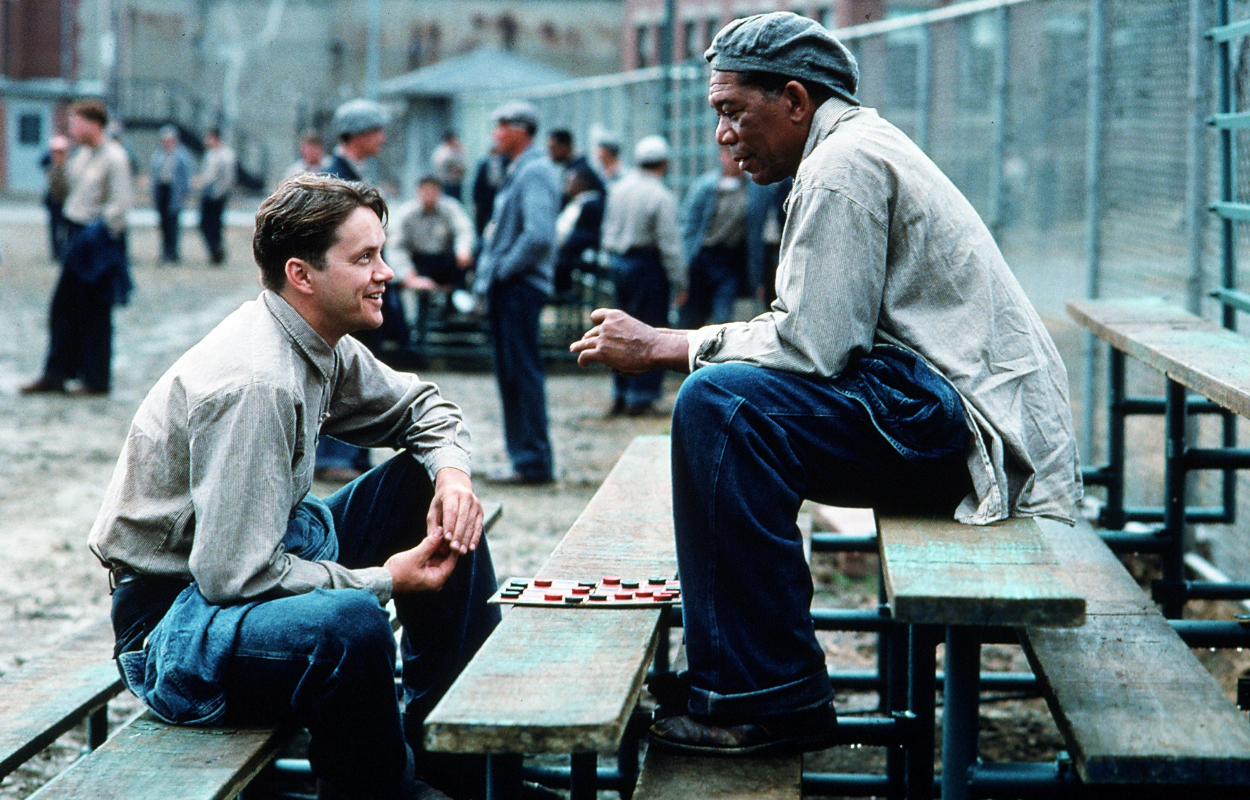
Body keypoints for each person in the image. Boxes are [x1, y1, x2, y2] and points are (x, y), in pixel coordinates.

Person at [571, 12, 1082, 757]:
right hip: (938, 407)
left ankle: (763, 697)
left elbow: (814, 346)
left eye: (733, 112)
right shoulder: (848, 147)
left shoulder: (841, 167)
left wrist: (666, 345)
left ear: (795, 100)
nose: (723, 136)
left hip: (969, 433)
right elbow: (820, 338)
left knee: (722, 408)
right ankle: (742, 675)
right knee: (731, 404)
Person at [88, 174, 500, 800]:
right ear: (302, 275)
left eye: (382, 252)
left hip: (248, 565)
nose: (386, 272)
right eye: (364, 258)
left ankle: (459, 761)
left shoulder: (314, 337)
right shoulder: (258, 384)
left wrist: (453, 475)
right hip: (175, 626)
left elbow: (420, 407)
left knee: (423, 489)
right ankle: (382, 790)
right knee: (353, 624)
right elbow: (237, 577)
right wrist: (388, 577)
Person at [472, 100, 560, 485]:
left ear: (521, 130)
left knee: (521, 373)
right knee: (511, 374)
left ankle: (532, 461)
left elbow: (538, 235)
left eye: (501, 126)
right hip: (510, 287)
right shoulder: (519, 170)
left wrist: (502, 272)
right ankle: (523, 457)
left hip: (519, 287)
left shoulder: (534, 171)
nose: (495, 134)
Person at [22, 99, 132, 397]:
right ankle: (56, 373)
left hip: (98, 242)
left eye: (76, 122)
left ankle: (96, 379)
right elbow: (62, 195)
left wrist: (98, 235)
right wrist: (57, 165)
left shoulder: (114, 157)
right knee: (64, 307)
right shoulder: (81, 156)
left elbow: (120, 207)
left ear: (92, 123)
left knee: (95, 312)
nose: (71, 128)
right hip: (77, 237)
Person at [316, 98, 400, 481]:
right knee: (344, 369)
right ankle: (336, 456)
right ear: (359, 134)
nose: (382, 138)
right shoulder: (335, 178)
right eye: (376, 131)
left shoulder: (351, 173)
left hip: (361, 287)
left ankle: (352, 456)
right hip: (347, 290)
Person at [598, 135, 685, 416]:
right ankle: (642, 395)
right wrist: (680, 281)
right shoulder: (661, 195)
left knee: (617, 329)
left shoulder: (618, 189)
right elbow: (669, 244)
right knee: (648, 330)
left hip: (618, 262)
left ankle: (619, 392)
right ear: (663, 163)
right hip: (647, 265)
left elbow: (607, 228)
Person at [390, 176, 475, 343]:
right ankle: (406, 335)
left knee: (470, 259)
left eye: (433, 191)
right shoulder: (407, 213)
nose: (429, 195)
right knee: (398, 286)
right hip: (420, 262)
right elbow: (396, 246)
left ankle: (460, 308)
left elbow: (464, 230)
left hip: (446, 261)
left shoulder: (451, 208)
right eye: (425, 191)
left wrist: (463, 249)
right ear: (418, 192)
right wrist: (407, 274)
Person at [553, 166, 604, 301]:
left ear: (583, 183)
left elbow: (586, 235)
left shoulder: (591, 204)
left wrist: (566, 245)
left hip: (575, 255)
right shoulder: (576, 201)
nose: (567, 185)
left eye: (571, 181)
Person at [150, 124, 192, 264]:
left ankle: (173, 252)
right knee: (163, 223)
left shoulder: (181, 156)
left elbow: (185, 178)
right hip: (162, 190)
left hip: (174, 192)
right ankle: (165, 251)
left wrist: (182, 194)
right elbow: (154, 175)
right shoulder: (158, 155)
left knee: (172, 223)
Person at [198, 128, 236, 266]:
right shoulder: (210, 154)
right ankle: (213, 250)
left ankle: (217, 251)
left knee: (215, 224)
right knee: (204, 223)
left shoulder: (226, 155)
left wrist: (218, 193)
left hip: (217, 194)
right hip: (208, 192)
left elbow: (228, 178)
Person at [41, 133, 73, 261]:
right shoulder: (50, 162)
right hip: (54, 200)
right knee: (54, 227)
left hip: (67, 200)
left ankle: (66, 250)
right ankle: (56, 252)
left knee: (67, 228)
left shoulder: (70, 164)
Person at [430, 131, 466, 201]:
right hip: (445, 183)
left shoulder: (458, 150)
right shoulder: (441, 152)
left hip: (456, 183)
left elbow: (464, 165)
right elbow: (442, 165)